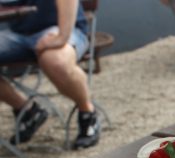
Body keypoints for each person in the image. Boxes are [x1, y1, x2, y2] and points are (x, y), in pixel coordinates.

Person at [0, 0, 100, 149]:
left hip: (60, 26)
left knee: (56, 62)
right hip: (17, 33)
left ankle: (87, 111)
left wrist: (62, 36)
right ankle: (27, 110)